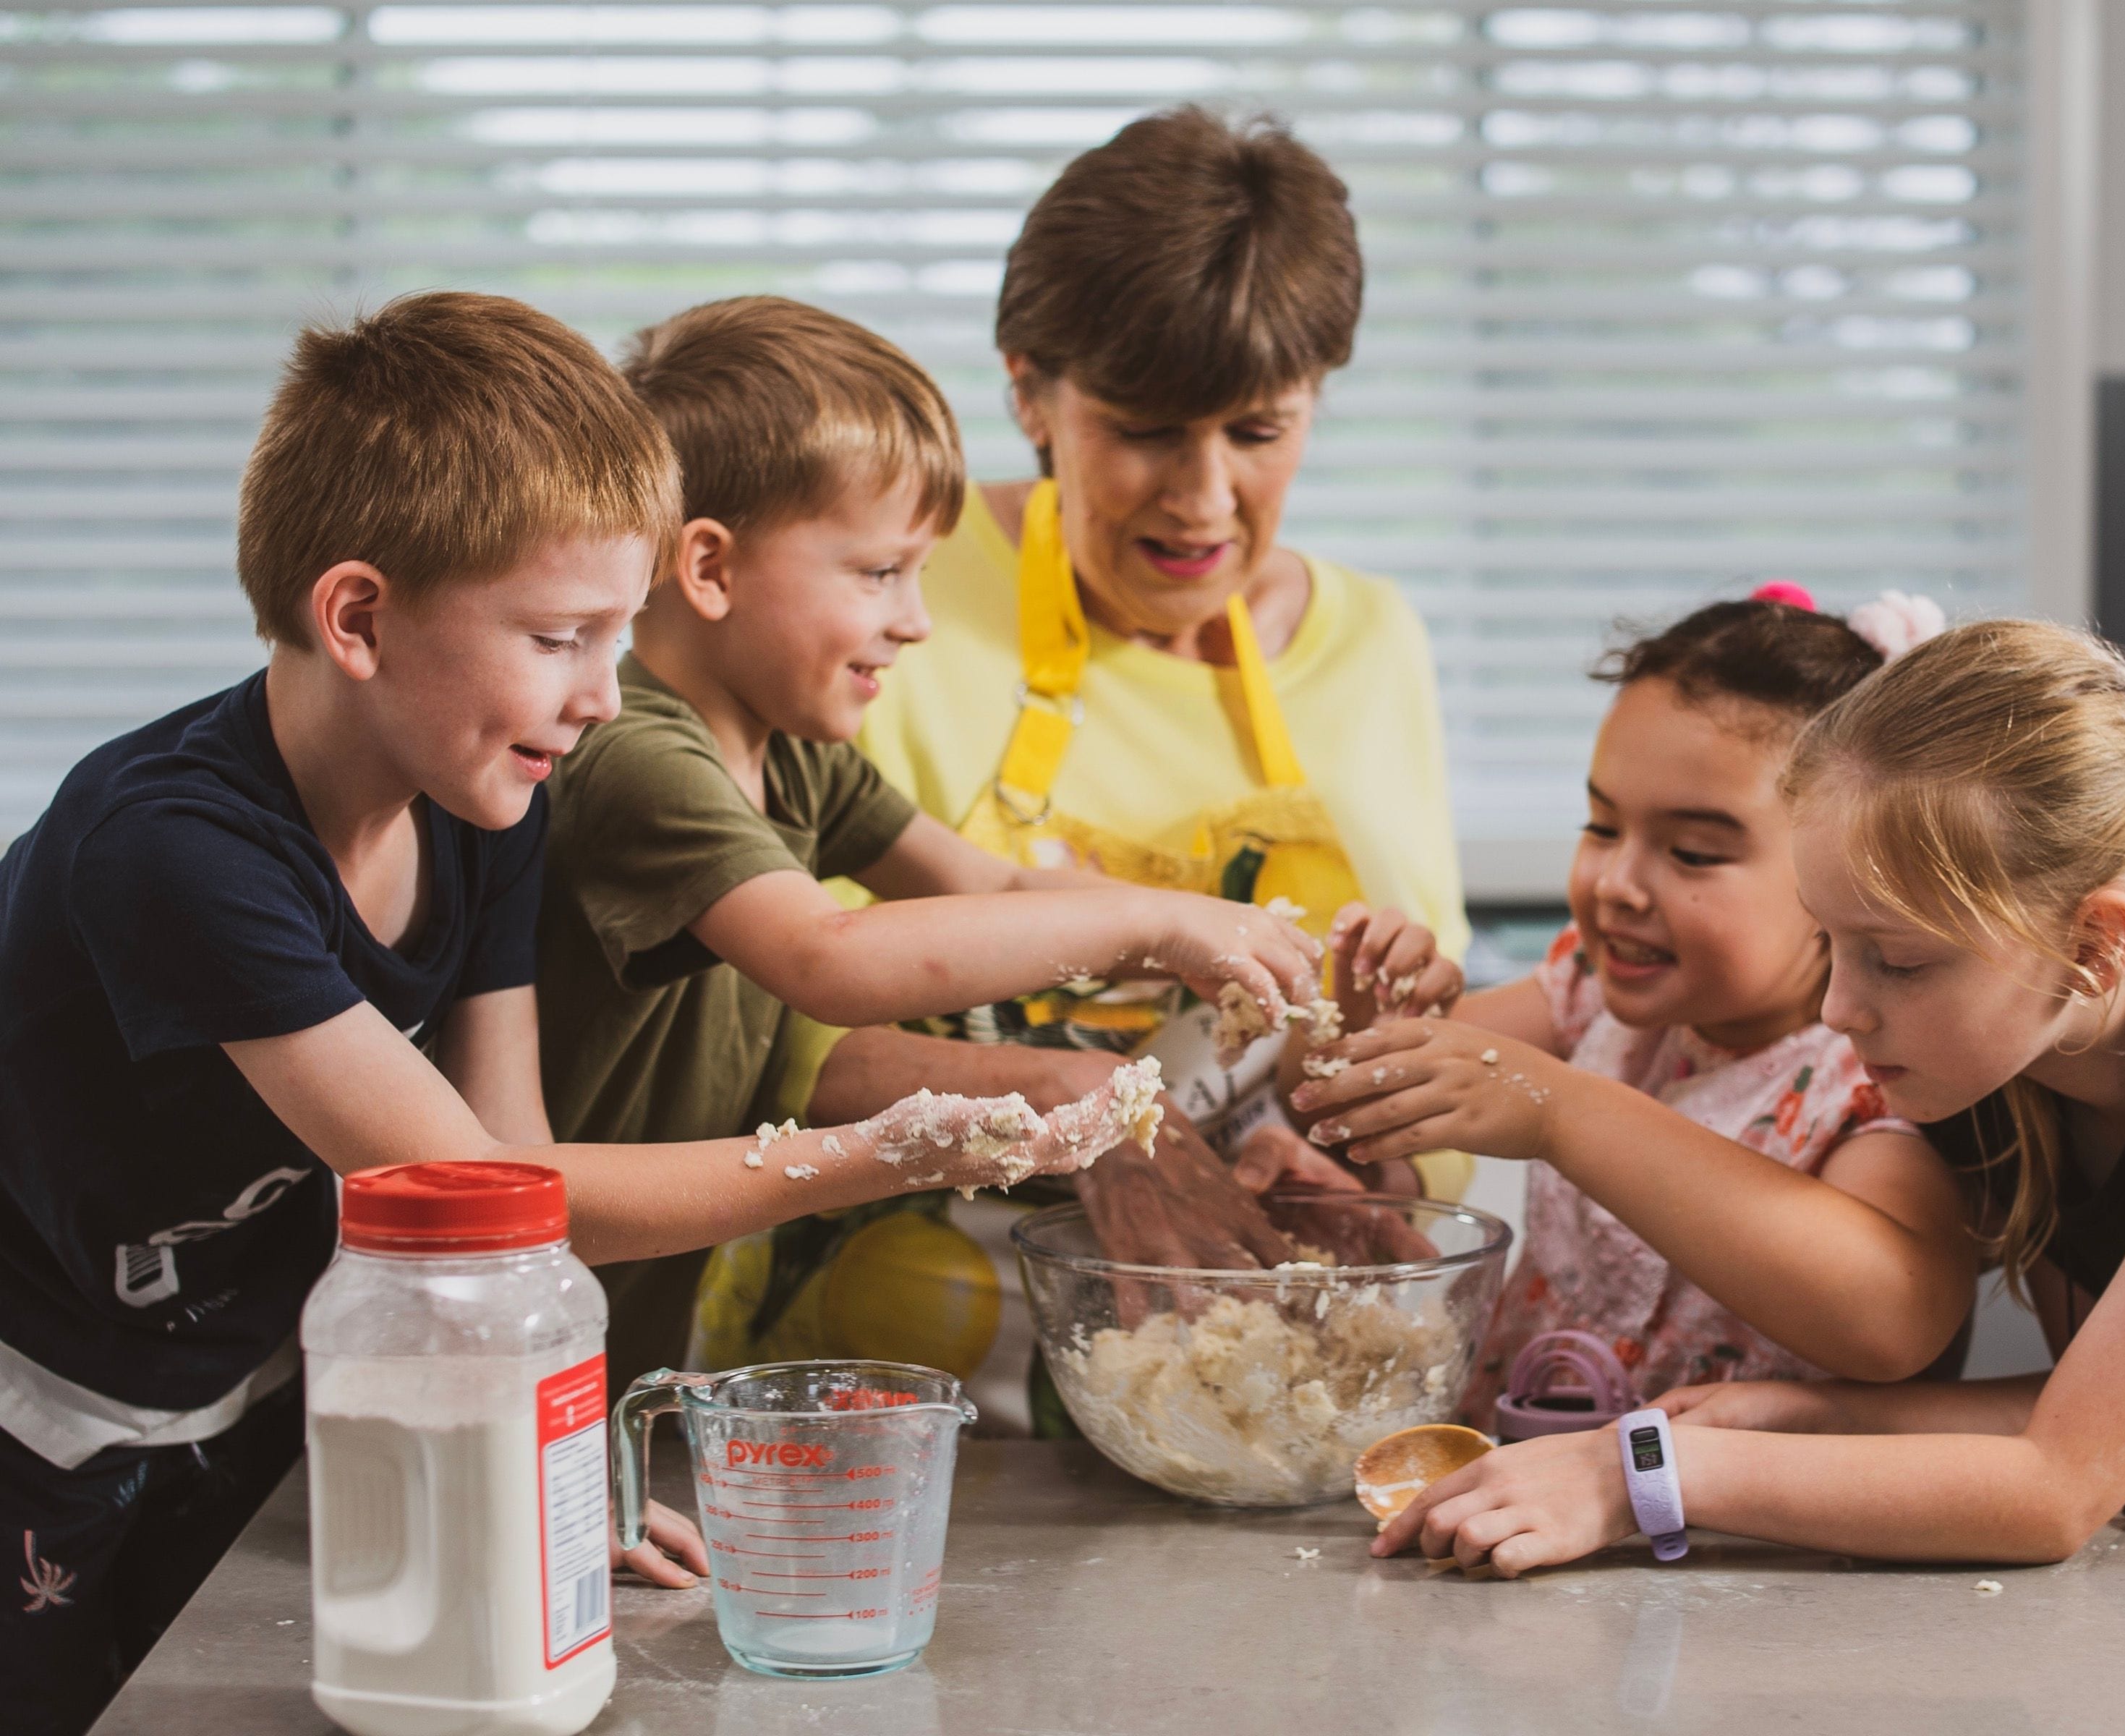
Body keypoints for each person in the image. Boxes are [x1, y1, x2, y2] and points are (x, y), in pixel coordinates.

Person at [0, 292, 1316, 1734]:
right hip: (38, 1398)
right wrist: (904, 1143)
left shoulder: (484, 801)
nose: (598, 699)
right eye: (561, 637)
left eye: (617, 642)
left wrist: (538, 1503)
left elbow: (512, 1189)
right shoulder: (177, 853)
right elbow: (489, 1205)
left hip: (251, 1386)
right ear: (361, 617)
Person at [1376, 618, 2125, 1577]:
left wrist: (1640, 1477)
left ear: (2094, 946)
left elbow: (2061, 1488)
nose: (1840, 1012)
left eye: (1895, 960)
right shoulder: (1988, 1055)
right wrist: (1811, 1419)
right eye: (1830, 944)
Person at [698, 107, 1468, 1431]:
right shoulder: (877, 605)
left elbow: (1399, 1038)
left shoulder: (1375, 642)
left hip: (1235, 1398)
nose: (1204, 497)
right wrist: (1099, 1113)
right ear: (1027, 391)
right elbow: (759, 1040)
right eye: (1145, 430)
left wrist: (1352, 1148)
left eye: (1259, 432)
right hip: (879, 1400)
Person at [537, 294, 1323, 1392]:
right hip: (523, 1318)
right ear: (707, 569)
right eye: (879, 573)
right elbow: (830, 960)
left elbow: (995, 886)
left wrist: (1244, 957)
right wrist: (1158, 918)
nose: (917, 619)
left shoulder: (793, 753)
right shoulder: (634, 755)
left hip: (626, 1334)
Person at [1290, 593, 1973, 1416]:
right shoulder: (1592, 996)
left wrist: (1562, 1112)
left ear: (1845, 873)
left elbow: (1890, 1320)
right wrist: (1358, 1022)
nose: (1615, 885)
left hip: (1718, 1529)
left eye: (1691, 852)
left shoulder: (1867, 1074)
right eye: (1601, 826)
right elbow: (1335, 1095)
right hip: (1513, 1489)